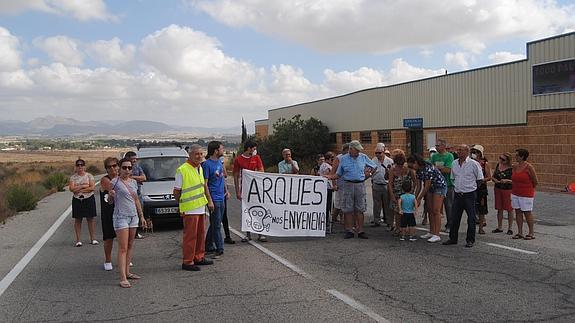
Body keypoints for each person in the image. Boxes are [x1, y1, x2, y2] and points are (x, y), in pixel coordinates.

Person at [174, 144, 214, 271]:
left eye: (201, 154)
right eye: (197, 154)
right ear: (190, 155)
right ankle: (188, 261)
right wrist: (182, 205)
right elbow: (176, 192)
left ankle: (198, 257)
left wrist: (209, 201)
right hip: (190, 209)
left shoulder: (200, 168)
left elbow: (203, 186)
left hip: (200, 207)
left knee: (200, 235)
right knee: (190, 237)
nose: (200, 156)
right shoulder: (182, 170)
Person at [108, 158, 147, 287]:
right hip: (121, 217)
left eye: (129, 168)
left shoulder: (134, 182)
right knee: (123, 247)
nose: (127, 170)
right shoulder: (114, 182)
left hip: (133, 216)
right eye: (124, 167)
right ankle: (122, 277)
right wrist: (110, 196)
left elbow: (136, 200)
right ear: (119, 168)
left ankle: (128, 272)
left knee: (130, 245)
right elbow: (109, 202)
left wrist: (141, 216)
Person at [330, 140, 376, 239]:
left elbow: (374, 166)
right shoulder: (343, 159)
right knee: (348, 209)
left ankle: (361, 230)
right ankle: (349, 230)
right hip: (348, 184)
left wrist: (369, 175)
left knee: (360, 209)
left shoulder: (363, 157)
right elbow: (338, 174)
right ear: (351, 149)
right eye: (357, 150)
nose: (359, 152)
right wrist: (329, 177)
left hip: (360, 184)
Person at [442, 145, 484, 248]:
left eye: (461, 150)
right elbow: (453, 178)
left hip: (469, 193)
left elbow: (480, 179)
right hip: (458, 193)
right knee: (455, 217)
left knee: (471, 218)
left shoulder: (474, 164)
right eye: (458, 150)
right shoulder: (454, 163)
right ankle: (453, 238)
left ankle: (470, 239)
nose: (458, 152)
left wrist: (472, 187)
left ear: (467, 151)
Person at [407, 154, 447, 243]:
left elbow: (426, 186)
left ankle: (437, 234)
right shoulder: (417, 171)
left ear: (416, 163)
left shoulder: (428, 168)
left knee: (436, 210)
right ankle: (432, 232)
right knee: (429, 209)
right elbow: (418, 185)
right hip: (430, 188)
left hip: (439, 186)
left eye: (411, 165)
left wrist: (419, 198)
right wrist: (415, 197)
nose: (411, 168)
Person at [233, 140, 266, 242]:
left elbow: (262, 170)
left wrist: (254, 172)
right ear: (249, 148)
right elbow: (236, 176)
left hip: (257, 189)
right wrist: (237, 191)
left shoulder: (256, 158)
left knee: (259, 209)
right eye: (254, 148)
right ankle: (248, 234)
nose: (255, 150)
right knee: (246, 211)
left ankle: (260, 233)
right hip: (245, 189)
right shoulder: (239, 159)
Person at [203, 141, 231, 257]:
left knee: (216, 222)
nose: (223, 150)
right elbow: (205, 184)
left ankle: (208, 244)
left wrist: (226, 191)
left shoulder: (219, 162)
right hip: (214, 197)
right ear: (215, 151)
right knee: (217, 224)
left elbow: (223, 178)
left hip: (221, 196)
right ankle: (219, 248)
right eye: (221, 149)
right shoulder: (206, 165)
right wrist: (209, 200)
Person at [388, 149, 418, 236]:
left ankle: (406, 228)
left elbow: (415, 181)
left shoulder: (408, 169)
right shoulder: (392, 170)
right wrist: (392, 196)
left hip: (407, 194)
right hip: (397, 194)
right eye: (399, 164)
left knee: (407, 212)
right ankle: (398, 228)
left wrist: (412, 192)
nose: (401, 166)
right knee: (397, 212)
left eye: (402, 164)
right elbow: (390, 184)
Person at [69, 158, 98, 247]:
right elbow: (71, 189)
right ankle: (78, 240)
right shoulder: (73, 177)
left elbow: (92, 188)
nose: (80, 167)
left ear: (84, 167)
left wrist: (79, 188)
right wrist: (83, 186)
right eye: (78, 165)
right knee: (78, 219)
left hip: (88, 199)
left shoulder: (89, 176)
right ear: (76, 167)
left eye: (82, 165)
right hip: (77, 199)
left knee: (90, 218)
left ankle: (93, 238)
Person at [511, 148, 538, 240]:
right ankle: (520, 232)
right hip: (515, 192)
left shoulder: (529, 167)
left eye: (517, 155)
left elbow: (535, 181)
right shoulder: (515, 167)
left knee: (527, 212)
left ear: (522, 156)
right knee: (518, 212)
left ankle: (531, 233)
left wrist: (529, 189)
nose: (515, 156)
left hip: (526, 194)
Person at [431, 139, 454, 232]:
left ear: (443, 146)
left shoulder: (449, 156)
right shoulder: (434, 156)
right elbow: (431, 168)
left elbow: (448, 169)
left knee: (448, 205)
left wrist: (437, 168)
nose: (436, 147)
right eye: (436, 145)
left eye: (438, 145)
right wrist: (439, 168)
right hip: (436, 185)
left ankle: (450, 224)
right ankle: (436, 226)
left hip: (448, 184)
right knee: (436, 207)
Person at [100, 157, 119, 271]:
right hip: (108, 211)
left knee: (123, 236)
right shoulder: (105, 180)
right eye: (109, 166)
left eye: (114, 165)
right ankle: (108, 260)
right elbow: (116, 188)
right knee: (109, 237)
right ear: (106, 169)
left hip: (121, 211)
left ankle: (125, 258)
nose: (112, 168)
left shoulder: (122, 178)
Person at [124, 151, 147, 239]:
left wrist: (132, 177)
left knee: (138, 213)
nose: (135, 160)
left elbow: (144, 178)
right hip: (127, 195)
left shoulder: (138, 167)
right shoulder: (124, 168)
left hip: (138, 194)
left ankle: (135, 232)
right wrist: (138, 179)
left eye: (135, 159)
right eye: (133, 159)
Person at [371, 143, 393, 227]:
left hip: (386, 184)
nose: (377, 154)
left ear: (383, 152)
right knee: (376, 204)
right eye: (376, 153)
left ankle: (388, 220)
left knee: (387, 203)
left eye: (379, 153)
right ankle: (376, 220)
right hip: (376, 183)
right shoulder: (373, 161)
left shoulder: (389, 161)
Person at [492, 152, 514, 235]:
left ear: (508, 160)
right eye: (500, 158)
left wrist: (507, 181)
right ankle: (499, 227)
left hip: (507, 189)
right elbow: (493, 176)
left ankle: (510, 228)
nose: (501, 160)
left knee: (509, 209)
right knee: (499, 208)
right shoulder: (498, 165)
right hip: (498, 188)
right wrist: (495, 180)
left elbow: (515, 180)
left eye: (503, 159)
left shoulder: (512, 168)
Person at [471, 145, 491, 234]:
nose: (473, 154)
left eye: (475, 152)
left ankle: (481, 227)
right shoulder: (470, 162)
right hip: (471, 187)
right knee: (472, 207)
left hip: (481, 188)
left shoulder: (484, 164)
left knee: (482, 208)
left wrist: (482, 180)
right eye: (473, 152)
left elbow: (489, 177)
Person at [330, 143, 350, 224]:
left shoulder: (350, 158)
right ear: (345, 150)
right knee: (339, 204)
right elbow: (333, 172)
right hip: (340, 183)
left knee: (347, 203)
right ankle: (333, 218)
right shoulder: (339, 158)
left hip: (348, 183)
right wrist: (334, 184)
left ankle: (345, 219)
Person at [319, 151, 336, 233]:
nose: (333, 160)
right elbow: (329, 176)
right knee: (328, 206)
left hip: (324, 187)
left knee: (328, 206)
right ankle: (326, 223)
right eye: (332, 159)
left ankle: (326, 223)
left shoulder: (324, 165)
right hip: (327, 188)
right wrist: (333, 185)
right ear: (328, 159)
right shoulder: (326, 166)